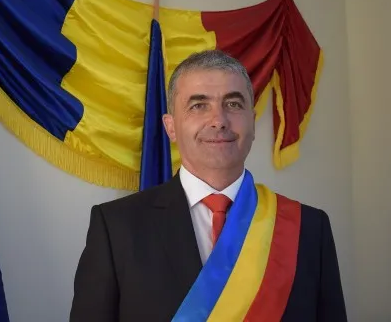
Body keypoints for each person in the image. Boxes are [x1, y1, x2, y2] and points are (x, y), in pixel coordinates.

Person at [69, 50, 347, 321]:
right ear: (171, 127)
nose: (219, 121)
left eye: (233, 104)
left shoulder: (308, 228)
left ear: (252, 122)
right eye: (199, 105)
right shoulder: (116, 227)